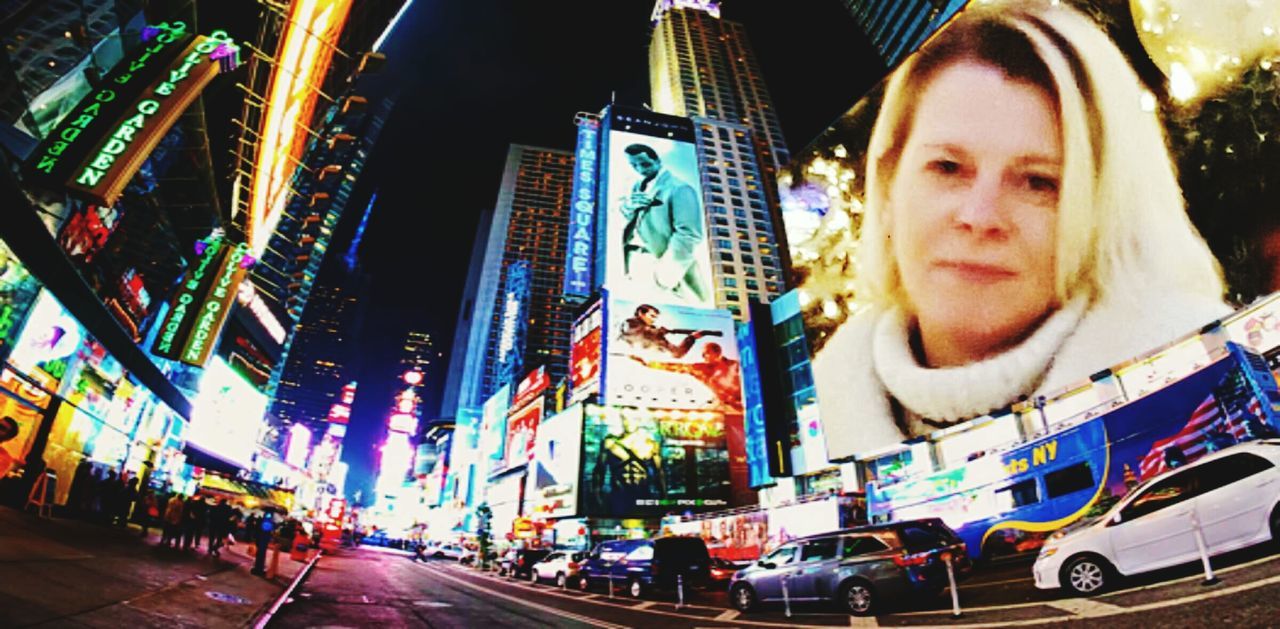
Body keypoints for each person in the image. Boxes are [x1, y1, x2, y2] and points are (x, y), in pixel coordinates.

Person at [812, 0, 1231, 458]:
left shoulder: (1210, 393)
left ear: (1104, 205)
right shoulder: (809, 424)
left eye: (1038, 182)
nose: (979, 216)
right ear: (890, 179)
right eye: (948, 167)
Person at [618, 143, 709, 303]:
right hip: (633, 262)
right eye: (634, 165)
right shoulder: (636, 186)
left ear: (658, 161)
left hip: (661, 264)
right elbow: (628, 220)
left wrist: (666, 274)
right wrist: (628, 207)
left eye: (645, 164)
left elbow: (689, 234)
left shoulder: (679, 188)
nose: (640, 169)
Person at [591, 408, 666, 515]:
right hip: (619, 494)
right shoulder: (610, 443)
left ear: (639, 421)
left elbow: (660, 473)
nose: (628, 422)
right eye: (625, 418)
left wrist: (664, 496)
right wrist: (597, 495)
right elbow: (599, 471)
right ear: (621, 420)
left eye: (633, 418)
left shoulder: (651, 445)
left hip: (643, 494)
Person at [631, 342, 743, 412]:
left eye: (705, 353)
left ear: (717, 352)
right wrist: (647, 363)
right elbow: (675, 367)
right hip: (727, 408)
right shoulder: (700, 369)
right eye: (703, 354)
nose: (703, 357)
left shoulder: (736, 365)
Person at [616, 304, 720, 358]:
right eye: (652, 316)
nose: (653, 320)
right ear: (641, 313)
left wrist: (691, 338)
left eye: (655, 318)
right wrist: (659, 331)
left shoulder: (656, 335)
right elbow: (636, 335)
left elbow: (677, 353)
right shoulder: (629, 323)